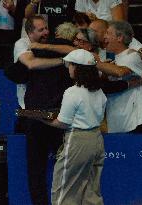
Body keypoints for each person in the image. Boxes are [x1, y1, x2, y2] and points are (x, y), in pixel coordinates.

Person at [13, 15, 71, 205]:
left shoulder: (49, 44)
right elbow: (31, 64)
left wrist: (46, 47)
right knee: (36, 169)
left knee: (64, 166)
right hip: (32, 114)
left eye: (46, 28)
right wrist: (62, 61)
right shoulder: (21, 44)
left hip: (57, 113)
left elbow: (73, 50)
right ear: (29, 33)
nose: (46, 32)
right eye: (40, 30)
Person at [37, 49, 106, 205]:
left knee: (63, 190)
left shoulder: (72, 92)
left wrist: (41, 119)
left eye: (69, 65)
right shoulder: (99, 91)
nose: (68, 68)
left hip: (77, 140)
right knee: (91, 192)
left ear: (77, 67)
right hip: (96, 139)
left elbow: (62, 122)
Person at [96, 21, 142, 133]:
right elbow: (106, 85)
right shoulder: (115, 59)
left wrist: (95, 63)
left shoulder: (132, 56)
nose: (104, 36)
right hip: (117, 114)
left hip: (133, 118)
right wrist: (105, 72)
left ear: (119, 38)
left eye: (108, 33)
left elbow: (121, 72)